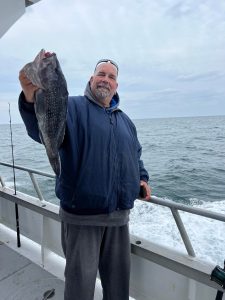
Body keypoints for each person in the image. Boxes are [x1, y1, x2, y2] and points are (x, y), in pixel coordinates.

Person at [18, 58, 151, 300]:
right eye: (101, 74)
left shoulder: (126, 121)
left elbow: (135, 154)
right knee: (80, 287)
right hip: (82, 218)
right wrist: (29, 98)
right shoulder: (71, 107)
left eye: (111, 77)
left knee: (118, 288)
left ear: (116, 86)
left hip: (119, 218)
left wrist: (142, 179)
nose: (106, 80)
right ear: (91, 79)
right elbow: (41, 128)